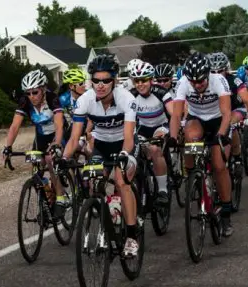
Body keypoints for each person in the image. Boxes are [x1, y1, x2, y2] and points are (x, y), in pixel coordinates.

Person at [61, 54, 140, 258]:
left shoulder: (126, 99)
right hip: (102, 145)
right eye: (96, 80)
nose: (100, 85)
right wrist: (63, 159)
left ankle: (132, 235)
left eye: (106, 80)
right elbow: (74, 138)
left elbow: (129, 138)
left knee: (121, 181)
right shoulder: (85, 101)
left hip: (125, 144)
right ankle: (108, 214)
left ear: (114, 80)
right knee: (94, 180)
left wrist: (123, 154)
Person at [169, 52, 234, 236]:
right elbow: (176, 114)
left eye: (200, 81)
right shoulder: (182, 82)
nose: (197, 85)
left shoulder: (218, 80)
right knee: (190, 134)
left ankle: (227, 213)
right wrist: (173, 137)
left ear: (208, 75)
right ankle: (192, 174)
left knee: (219, 165)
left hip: (218, 120)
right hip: (197, 119)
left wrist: (221, 135)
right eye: (193, 82)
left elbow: (227, 113)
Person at [3, 69, 68, 212]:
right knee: (36, 167)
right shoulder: (25, 102)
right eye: (28, 93)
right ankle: (46, 195)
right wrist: (8, 146)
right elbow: (14, 126)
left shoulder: (52, 98)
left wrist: (57, 144)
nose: (31, 96)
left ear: (43, 89)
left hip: (58, 133)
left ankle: (61, 198)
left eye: (35, 92)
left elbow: (59, 124)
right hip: (41, 137)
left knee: (50, 160)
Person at [128, 61, 174, 204]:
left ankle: (162, 190)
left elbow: (173, 113)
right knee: (134, 152)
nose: (140, 84)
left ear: (151, 80)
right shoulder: (131, 95)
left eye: (144, 80)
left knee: (154, 149)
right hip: (143, 128)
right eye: (137, 81)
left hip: (161, 126)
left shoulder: (161, 92)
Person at [208, 52, 248, 177]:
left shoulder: (234, 80)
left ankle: (237, 156)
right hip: (218, 112)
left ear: (226, 69)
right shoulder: (206, 82)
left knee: (230, 123)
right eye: (213, 71)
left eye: (220, 70)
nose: (216, 74)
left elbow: (247, 99)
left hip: (235, 109)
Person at [59, 68, 91, 157]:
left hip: (87, 127)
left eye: (84, 82)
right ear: (71, 86)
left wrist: (86, 135)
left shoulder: (89, 96)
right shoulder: (63, 99)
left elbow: (91, 120)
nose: (84, 86)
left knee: (88, 150)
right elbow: (60, 121)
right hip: (72, 128)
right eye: (81, 84)